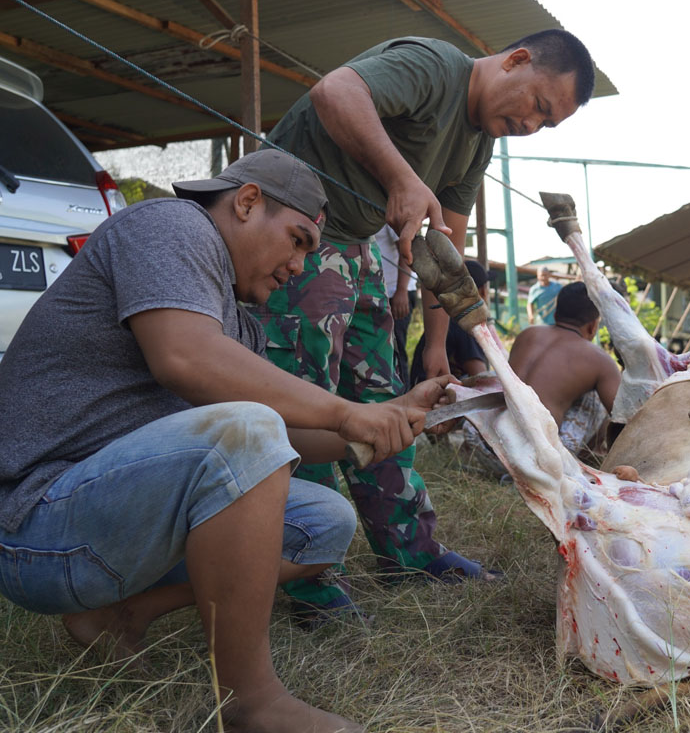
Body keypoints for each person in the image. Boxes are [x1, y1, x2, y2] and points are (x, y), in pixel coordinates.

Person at [0, 150, 450, 732]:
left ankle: (121, 614)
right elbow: (183, 358)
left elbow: (282, 436)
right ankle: (249, 704)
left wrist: (380, 421)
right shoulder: (169, 225)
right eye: (296, 240)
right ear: (245, 203)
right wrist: (345, 413)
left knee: (324, 521)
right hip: (34, 528)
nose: (298, 264)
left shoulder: (239, 326)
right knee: (244, 429)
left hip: (106, 523)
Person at [250, 29, 596, 600]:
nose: (532, 126)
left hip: (354, 250)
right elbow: (334, 92)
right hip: (295, 241)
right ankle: (305, 575)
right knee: (307, 407)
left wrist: (437, 341)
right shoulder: (434, 66)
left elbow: (446, 245)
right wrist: (401, 177)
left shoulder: (479, 140)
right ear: (516, 61)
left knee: (389, 405)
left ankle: (410, 552)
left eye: (547, 124)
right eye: (538, 106)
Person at [463, 282, 621, 472]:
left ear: (555, 314)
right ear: (593, 325)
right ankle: (586, 458)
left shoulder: (527, 334)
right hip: (537, 464)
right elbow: (622, 416)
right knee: (595, 395)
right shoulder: (600, 359)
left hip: (482, 444)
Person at [409, 259, 490, 385]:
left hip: (419, 389)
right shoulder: (464, 325)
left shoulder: (444, 323)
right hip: (433, 396)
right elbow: (481, 377)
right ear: (483, 291)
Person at [374, 225, 418, 392]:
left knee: (396, 354)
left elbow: (406, 250)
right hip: (379, 292)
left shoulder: (390, 210)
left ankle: (404, 402)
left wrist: (401, 291)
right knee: (381, 354)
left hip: (397, 293)